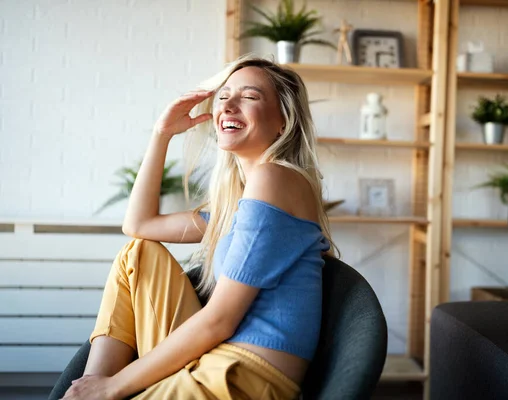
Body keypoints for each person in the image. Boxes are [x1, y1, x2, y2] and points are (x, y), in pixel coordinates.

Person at [61, 55, 338, 400]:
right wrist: (161, 134)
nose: (229, 106)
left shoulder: (275, 178)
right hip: (216, 359)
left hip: (241, 377)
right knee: (139, 253)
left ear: (284, 121)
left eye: (250, 97)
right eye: (223, 97)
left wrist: (113, 387)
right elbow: (139, 225)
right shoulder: (240, 199)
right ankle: (88, 391)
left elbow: (220, 319)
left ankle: (98, 391)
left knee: (110, 387)